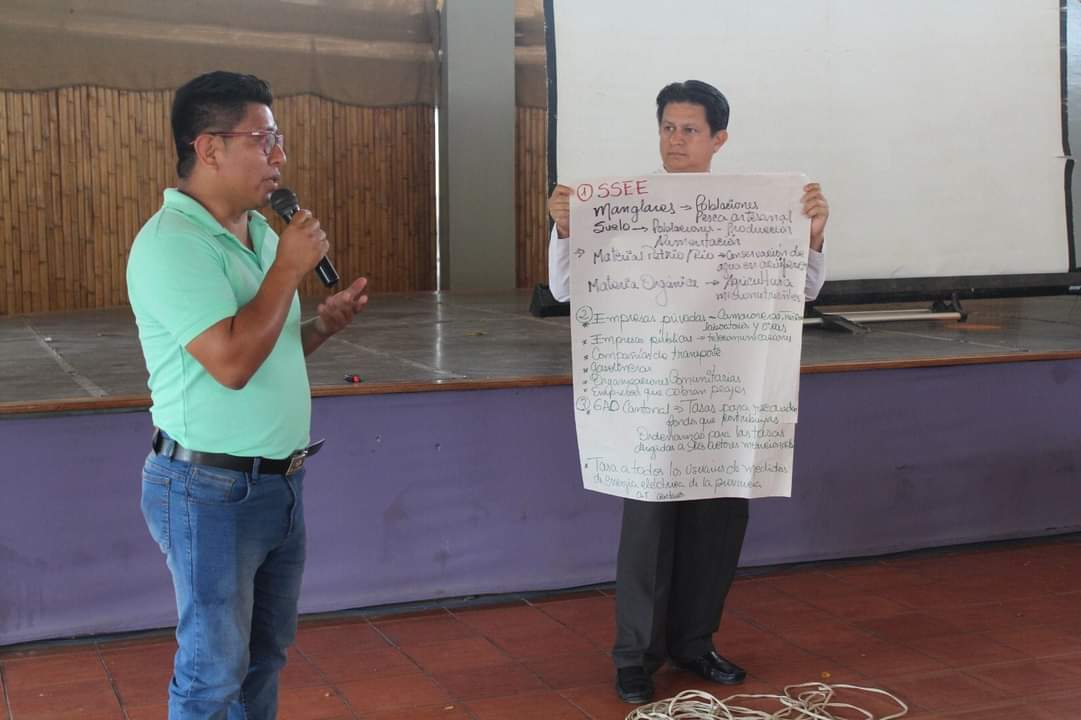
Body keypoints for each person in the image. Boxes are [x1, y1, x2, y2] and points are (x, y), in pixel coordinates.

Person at [546, 80, 829, 704]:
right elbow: (566, 289)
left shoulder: (757, 209)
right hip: (650, 399)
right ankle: (635, 658)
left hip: (727, 397)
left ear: (718, 139)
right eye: (668, 128)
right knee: (647, 533)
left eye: (690, 130)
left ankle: (695, 644)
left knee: (718, 524)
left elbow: (803, 290)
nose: (676, 140)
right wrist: (565, 230)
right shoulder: (621, 204)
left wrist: (809, 236)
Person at [126, 71, 368, 719]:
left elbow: (263, 349)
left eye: (277, 138)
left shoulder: (259, 232)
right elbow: (231, 364)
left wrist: (319, 328)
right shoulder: (171, 245)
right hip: (208, 490)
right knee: (212, 673)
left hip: (278, 483)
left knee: (264, 657)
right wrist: (288, 270)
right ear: (208, 148)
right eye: (263, 140)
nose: (279, 155)